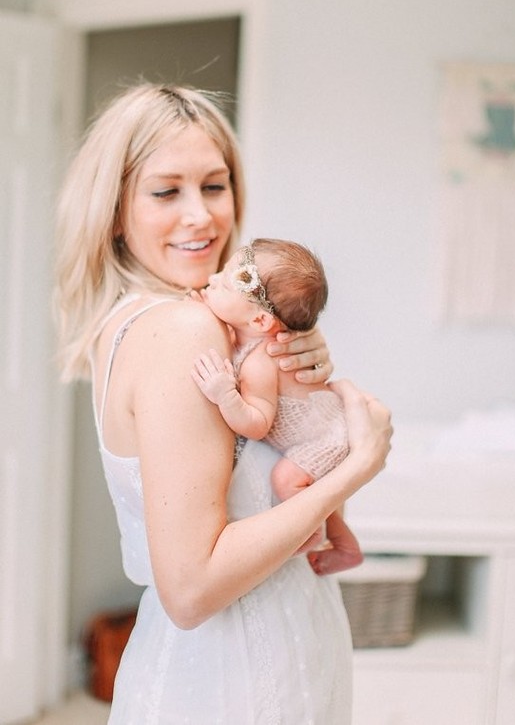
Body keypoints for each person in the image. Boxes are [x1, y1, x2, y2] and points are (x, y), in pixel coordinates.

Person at [55, 82, 393, 724]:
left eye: (214, 186)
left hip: (257, 651)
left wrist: (296, 368)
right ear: (115, 210)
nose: (202, 218)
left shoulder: (155, 321)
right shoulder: (184, 330)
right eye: (165, 191)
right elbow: (191, 590)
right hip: (231, 673)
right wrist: (359, 464)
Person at [191, 237, 364, 576]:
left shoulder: (260, 361)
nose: (211, 279)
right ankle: (346, 547)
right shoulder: (250, 335)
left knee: (288, 481)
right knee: (321, 496)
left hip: (324, 437)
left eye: (223, 284)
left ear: (258, 322)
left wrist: (226, 395)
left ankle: (311, 532)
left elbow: (257, 424)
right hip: (324, 421)